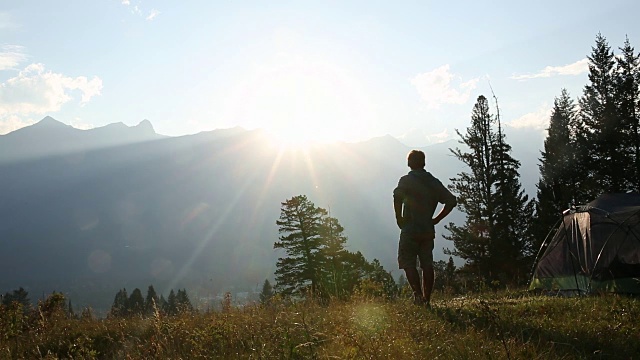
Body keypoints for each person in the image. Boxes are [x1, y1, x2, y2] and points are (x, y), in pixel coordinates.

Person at [393, 150, 456, 308]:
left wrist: (399, 218)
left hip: (410, 229)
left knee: (408, 262)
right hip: (427, 230)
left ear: (409, 163)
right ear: (424, 163)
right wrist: (436, 219)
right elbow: (451, 201)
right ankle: (427, 299)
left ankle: (418, 296)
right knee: (427, 264)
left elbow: (397, 197)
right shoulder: (433, 182)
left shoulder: (406, 181)